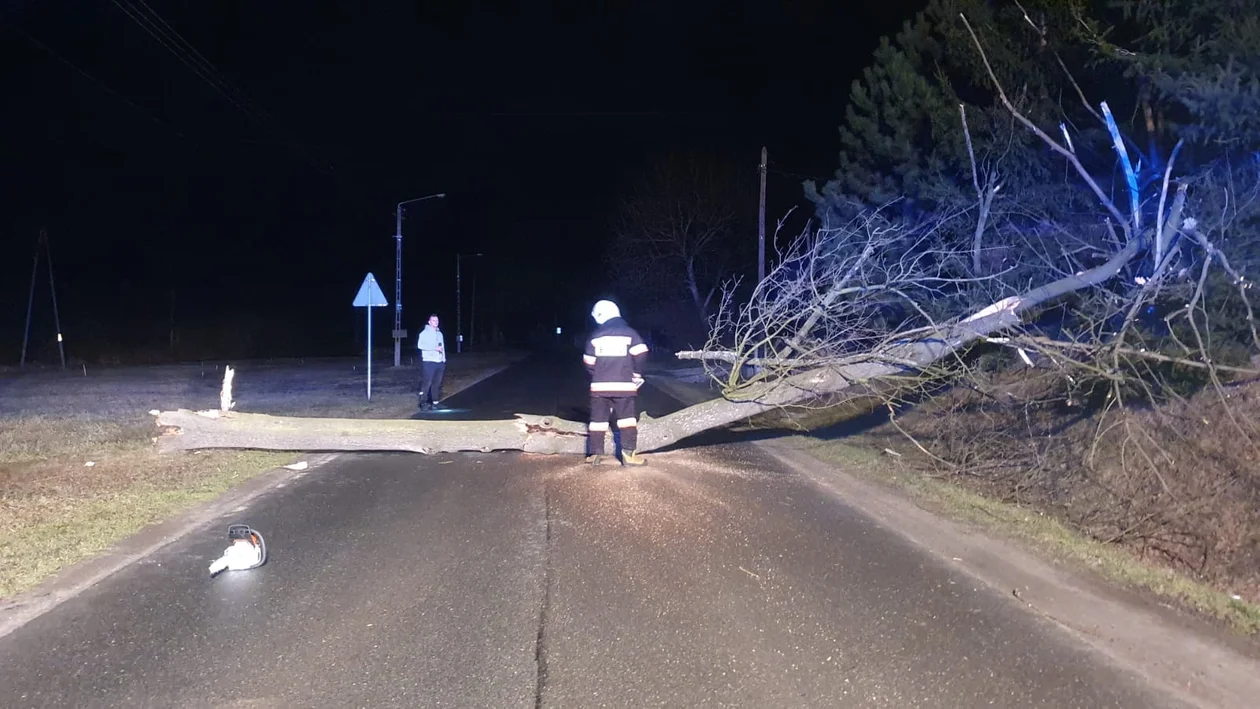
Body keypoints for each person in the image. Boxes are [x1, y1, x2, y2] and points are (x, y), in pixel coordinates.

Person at [583, 299, 649, 466]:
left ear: (600, 316)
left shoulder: (595, 336)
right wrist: (636, 373)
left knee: (597, 420)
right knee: (627, 420)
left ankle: (595, 455)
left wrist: (599, 375)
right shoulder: (630, 333)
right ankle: (629, 456)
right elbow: (641, 354)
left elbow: (588, 362)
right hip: (624, 387)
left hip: (599, 387)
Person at [416, 313, 446, 410]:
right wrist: (434, 348)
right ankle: (423, 403)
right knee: (427, 382)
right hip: (429, 361)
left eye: (437, 320)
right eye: (433, 320)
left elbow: (442, 347)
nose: (436, 322)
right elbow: (420, 346)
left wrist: (443, 359)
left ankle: (435, 402)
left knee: (436, 383)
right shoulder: (424, 333)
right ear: (429, 322)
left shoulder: (439, 333)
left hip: (439, 362)